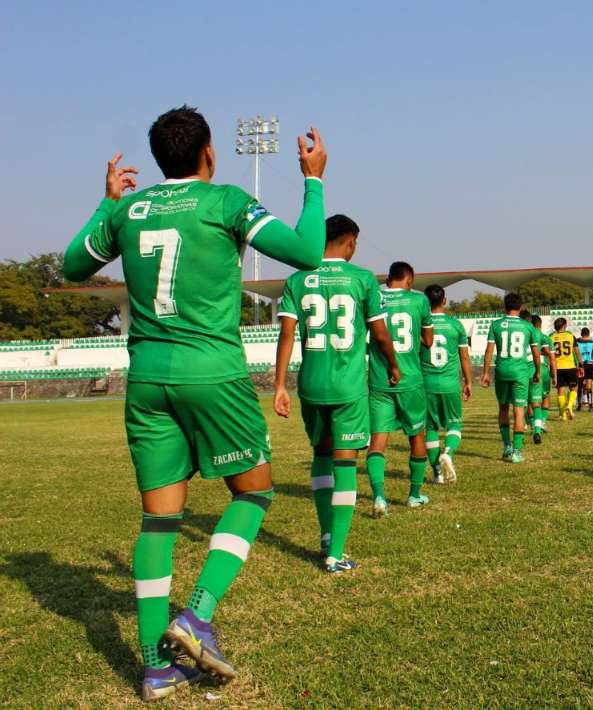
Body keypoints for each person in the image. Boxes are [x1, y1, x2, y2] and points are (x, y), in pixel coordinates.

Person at [62, 106, 327, 700]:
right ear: (210, 152)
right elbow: (309, 251)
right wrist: (313, 178)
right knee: (254, 492)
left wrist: (107, 203)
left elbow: (73, 263)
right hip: (213, 373)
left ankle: (157, 669)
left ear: (159, 159)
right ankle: (198, 613)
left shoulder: (131, 209)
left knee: (159, 520)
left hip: (148, 378)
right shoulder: (226, 201)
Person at [275, 215, 400, 572]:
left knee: (321, 455)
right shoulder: (361, 279)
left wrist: (281, 384)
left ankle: (326, 534)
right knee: (345, 462)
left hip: (311, 384)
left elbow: (286, 335)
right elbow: (379, 333)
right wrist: (392, 363)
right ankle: (336, 553)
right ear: (349, 240)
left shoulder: (297, 279)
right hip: (347, 386)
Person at [365, 261, 433, 516]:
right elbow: (428, 341)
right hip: (410, 379)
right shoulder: (419, 301)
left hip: (379, 380)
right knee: (417, 436)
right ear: (409, 280)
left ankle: (380, 498)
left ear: (388, 279)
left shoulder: (374, 297)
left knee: (378, 439)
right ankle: (414, 495)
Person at [422, 284, 471, 486]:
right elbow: (465, 358)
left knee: (430, 428)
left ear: (425, 302)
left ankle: (437, 475)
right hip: (450, 383)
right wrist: (468, 381)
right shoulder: (455, 325)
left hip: (426, 384)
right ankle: (448, 453)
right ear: (444, 300)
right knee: (454, 425)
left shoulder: (419, 325)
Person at [481, 294, 540, 463]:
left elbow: (489, 351)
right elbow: (536, 354)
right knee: (519, 410)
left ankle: (507, 446)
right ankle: (516, 451)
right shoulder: (527, 326)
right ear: (520, 307)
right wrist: (536, 371)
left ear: (504, 307)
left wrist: (485, 373)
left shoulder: (496, 324)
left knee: (503, 409)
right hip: (520, 372)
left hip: (501, 371)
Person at [525, 314, 554, 442]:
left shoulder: (524, 334)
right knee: (544, 396)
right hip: (540, 368)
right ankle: (540, 423)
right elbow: (550, 356)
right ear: (540, 324)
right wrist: (554, 373)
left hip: (523, 369)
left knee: (528, 400)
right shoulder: (543, 337)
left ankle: (531, 423)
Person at [549, 317, 582, 420]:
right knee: (574, 388)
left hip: (557, 367)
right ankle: (570, 405)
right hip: (570, 366)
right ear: (564, 325)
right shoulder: (570, 336)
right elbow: (577, 352)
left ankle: (563, 415)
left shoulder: (551, 337)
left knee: (560, 391)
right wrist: (581, 364)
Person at [576, 327, 593, 411]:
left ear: (581, 334)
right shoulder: (592, 342)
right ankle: (590, 405)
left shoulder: (577, 342)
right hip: (590, 364)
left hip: (581, 364)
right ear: (589, 334)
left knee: (580, 385)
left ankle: (579, 405)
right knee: (589, 386)